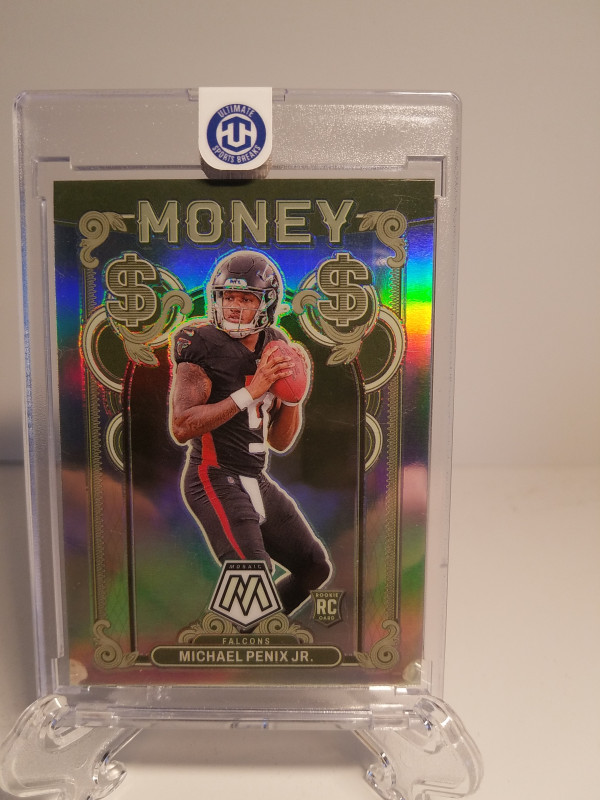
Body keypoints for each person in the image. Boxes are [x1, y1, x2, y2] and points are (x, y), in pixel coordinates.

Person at [169, 250, 331, 616]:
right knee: (252, 575)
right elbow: (181, 426)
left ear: (266, 303)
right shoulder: (200, 343)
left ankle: (260, 628)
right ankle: (247, 630)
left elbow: (280, 442)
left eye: (245, 299)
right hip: (211, 476)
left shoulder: (274, 342)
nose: (234, 307)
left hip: (255, 478)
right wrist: (251, 391)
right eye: (228, 297)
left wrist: (294, 397)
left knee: (314, 567)